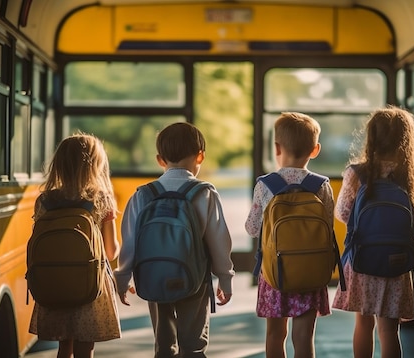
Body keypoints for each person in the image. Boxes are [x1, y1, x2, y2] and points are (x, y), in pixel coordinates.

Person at [114, 122, 235, 357]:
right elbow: (220, 241)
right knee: (193, 345)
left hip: (153, 276)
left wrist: (122, 278)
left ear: (160, 159)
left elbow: (130, 242)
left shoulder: (143, 194)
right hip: (195, 279)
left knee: (163, 345)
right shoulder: (205, 193)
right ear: (200, 157)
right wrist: (225, 278)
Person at [332, 105, 414, 358]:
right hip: (397, 265)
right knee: (389, 331)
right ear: (407, 140)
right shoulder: (411, 178)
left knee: (363, 324)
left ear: (371, 138)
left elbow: (343, 214)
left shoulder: (356, 174)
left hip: (362, 262)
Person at [245, 112, 334, 358]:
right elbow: (326, 225)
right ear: (315, 150)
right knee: (304, 337)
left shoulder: (266, 184)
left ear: (276, 147)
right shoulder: (321, 185)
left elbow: (252, 228)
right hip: (310, 271)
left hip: (276, 273)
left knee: (275, 335)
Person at [28, 132, 122, 358]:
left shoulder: (45, 200)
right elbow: (111, 251)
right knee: (84, 348)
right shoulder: (101, 199)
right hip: (90, 286)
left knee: (64, 346)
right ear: (96, 166)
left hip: (55, 282)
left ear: (59, 165)